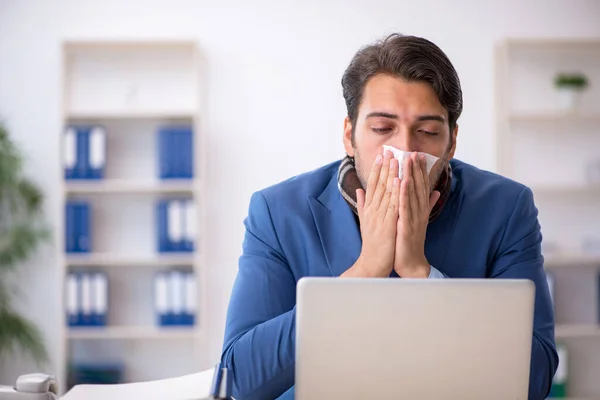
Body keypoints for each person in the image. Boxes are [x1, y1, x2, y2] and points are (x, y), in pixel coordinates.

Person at [220, 33, 558, 400]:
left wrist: (420, 273)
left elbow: (535, 379)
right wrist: (363, 272)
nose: (405, 151)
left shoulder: (507, 208)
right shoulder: (278, 212)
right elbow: (240, 379)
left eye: (427, 132)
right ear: (349, 135)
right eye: (382, 129)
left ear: (452, 142)